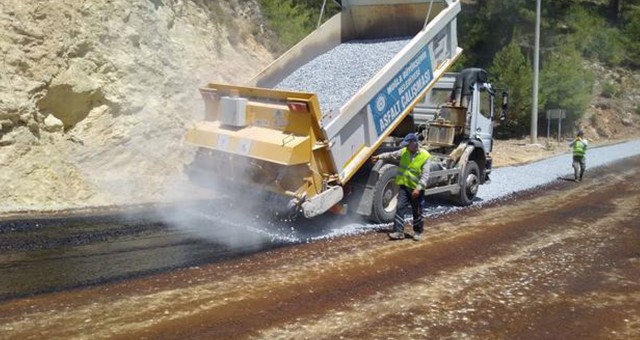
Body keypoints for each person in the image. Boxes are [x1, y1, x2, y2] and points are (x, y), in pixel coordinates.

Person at [372, 133, 431, 241]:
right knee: (399, 207)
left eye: (408, 144)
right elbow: (391, 155)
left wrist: (418, 188)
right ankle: (398, 232)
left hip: (416, 189)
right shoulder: (404, 152)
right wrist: (379, 157)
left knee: (417, 211)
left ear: (414, 143)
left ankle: (418, 232)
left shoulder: (425, 156)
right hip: (404, 186)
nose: (406, 147)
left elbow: (425, 175)